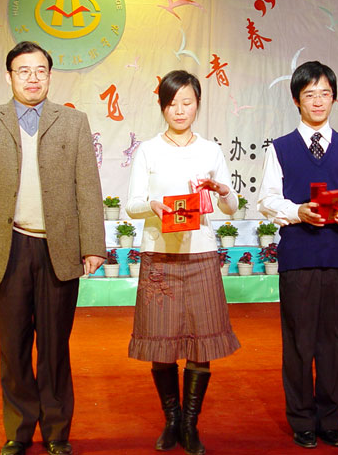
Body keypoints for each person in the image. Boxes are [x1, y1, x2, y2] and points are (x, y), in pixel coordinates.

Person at [0, 41, 106, 455]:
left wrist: (93, 244)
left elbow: (88, 187)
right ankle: (19, 431)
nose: (32, 78)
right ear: (9, 77)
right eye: (23, 71)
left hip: (59, 249)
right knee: (13, 346)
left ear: (50, 75)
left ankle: (57, 431)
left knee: (55, 347)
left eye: (40, 70)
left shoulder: (73, 122)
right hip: (7, 247)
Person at [125, 70, 240, 455]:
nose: (180, 110)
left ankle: (190, 424)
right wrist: (153, 206)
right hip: (160, 255)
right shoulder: (148, 150)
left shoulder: (210, 151)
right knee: (160, 344)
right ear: (162, 106)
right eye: (172, 103)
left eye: (187, 102)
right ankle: (171, 419)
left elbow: (231, 206)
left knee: (201, 342)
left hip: (200, 254)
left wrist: (223, 190)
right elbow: (132, 205)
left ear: (198, 105)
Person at [258, 61, 338, 449]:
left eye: (325, 93)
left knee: (333, 342)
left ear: (334, 99)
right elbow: (267, 199)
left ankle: (330, 420)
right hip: (298, 258)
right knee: (298, 343)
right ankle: (302, 421)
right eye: (310, 94)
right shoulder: (281, 148)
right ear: (297, 100)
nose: (318, 101)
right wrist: (297, 211)